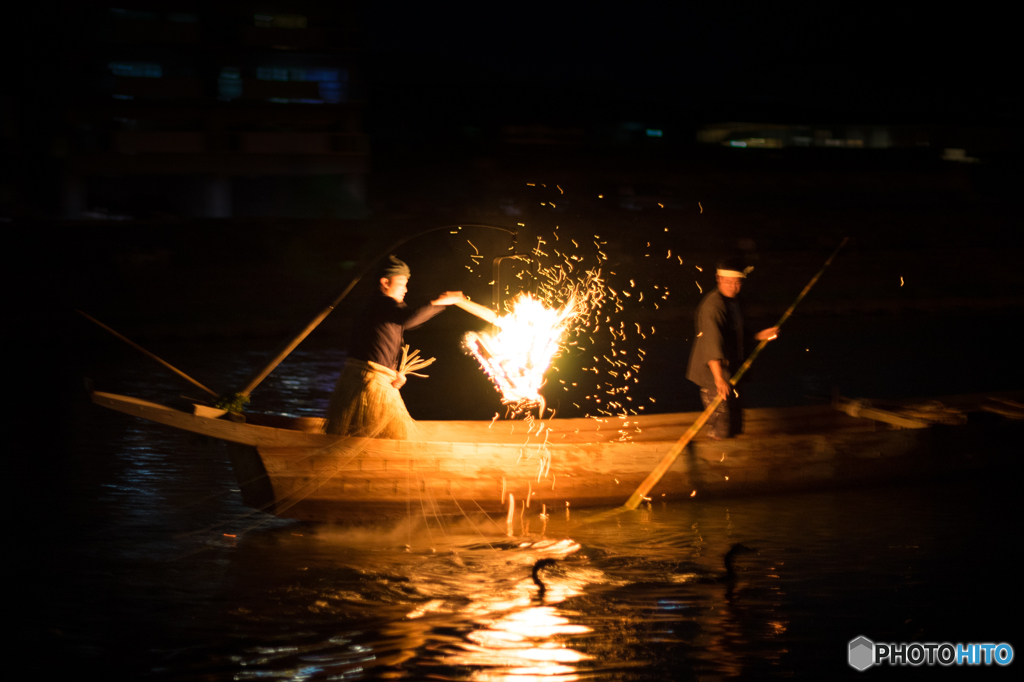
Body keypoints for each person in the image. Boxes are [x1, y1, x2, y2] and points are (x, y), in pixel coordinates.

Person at [325, 255, 465, 439]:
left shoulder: (384, 309)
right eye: (401, 283)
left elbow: (392, 335)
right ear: (385, 282)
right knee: (374, 437)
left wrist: (394, 374)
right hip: (367, 383)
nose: (405, 289)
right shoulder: (381, 304)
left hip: (375, 380)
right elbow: (408, 319)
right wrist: (440, 302)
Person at [685, 257, 778, 439]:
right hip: (714, 374)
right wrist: (719, 379)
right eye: (728, 282)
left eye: (737, 283)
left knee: (735, 421)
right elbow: (712, 343)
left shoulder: (735, 301)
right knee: (722, 425)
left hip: (732, 370)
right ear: (718, 279)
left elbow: (737, 334)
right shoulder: (712, 307)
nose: (732, 287)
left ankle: (733, 455)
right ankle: (718, 457)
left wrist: (760, 335)